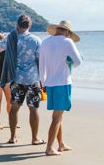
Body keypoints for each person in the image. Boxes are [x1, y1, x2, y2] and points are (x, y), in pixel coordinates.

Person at [0, 15, 45, 145]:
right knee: (33, 109)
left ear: (17, 25)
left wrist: (11, 34)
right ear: (29, 26)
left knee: (14, 107)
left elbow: (0, 48)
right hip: (32, 78)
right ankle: (35, 138)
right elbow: (40, 58)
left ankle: (13, 137)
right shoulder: (36, 40)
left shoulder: (12, 37)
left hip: (16, 78)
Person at [39, 20, 82, 156]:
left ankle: (61, 144)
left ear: (57, 29)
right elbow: (78, 61)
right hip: (62, 83)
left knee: (58, 115)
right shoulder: (67, 41)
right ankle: (49, 148)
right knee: (57, 117)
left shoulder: (45, 42)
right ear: (68, 32)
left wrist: (43, 83)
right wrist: (69, 62)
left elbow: (41, 65)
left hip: (49, 83)